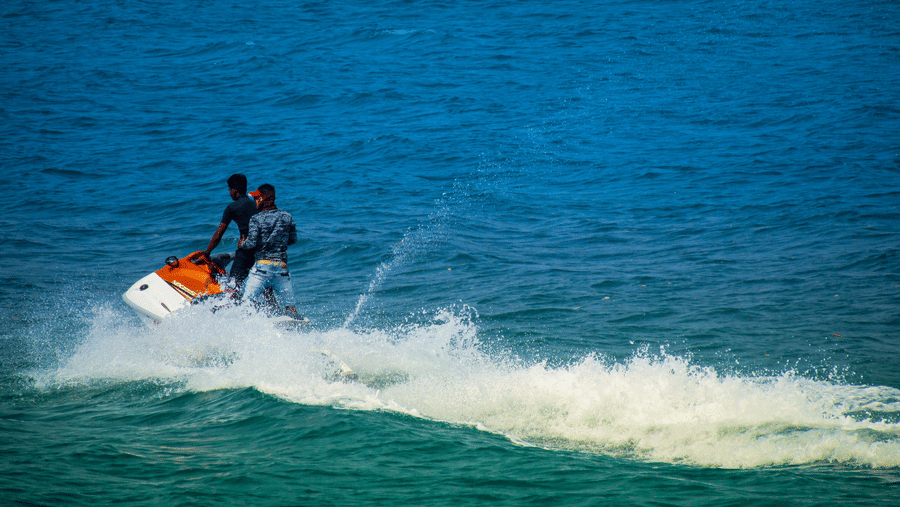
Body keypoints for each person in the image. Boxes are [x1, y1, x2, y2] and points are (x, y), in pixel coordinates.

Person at [239, 183, 300, 318]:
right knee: (290, 307)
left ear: (264, 199)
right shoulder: (287, 216)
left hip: (262, 269)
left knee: (246, 302)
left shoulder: (256, 218)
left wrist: (241, 244)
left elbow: (251, 243)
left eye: (257, 198)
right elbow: (293, 240)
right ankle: (295, 327)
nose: (254, 201)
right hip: (281, 268)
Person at [204, 173, 259, 294]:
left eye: (229, 189)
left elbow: (218, 234)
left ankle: (231, 309)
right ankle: (276, 311)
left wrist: (206, 253)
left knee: (233, 287)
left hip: (246, 252)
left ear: (234, 190)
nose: (229, 192)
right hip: (262, 252)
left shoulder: (232, 208)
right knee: (265, 289)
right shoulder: (257, 204)